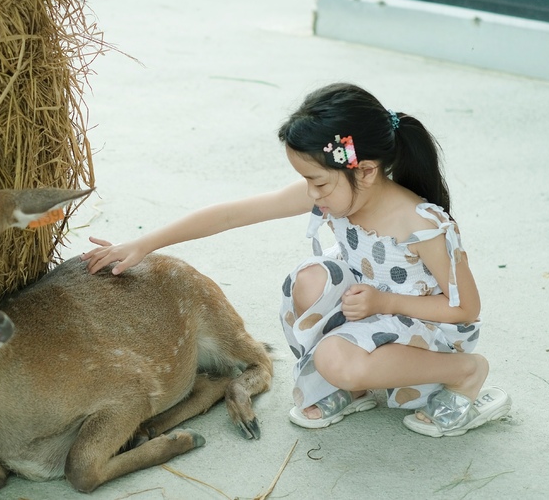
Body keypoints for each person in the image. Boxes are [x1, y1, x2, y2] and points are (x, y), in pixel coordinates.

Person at [82, 83, 511, 437]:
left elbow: (465, 308)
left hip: (427, 326)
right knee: (310, 280)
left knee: (333, 360)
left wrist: (386, 303)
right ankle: (358, 387)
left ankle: (463, 373)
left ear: (365, 170)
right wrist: (143, 245)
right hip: (372, 306)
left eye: (318, 181)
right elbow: (234, 213)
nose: (311, 193)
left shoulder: (423, 224)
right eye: (305, 179)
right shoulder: (331, 195)